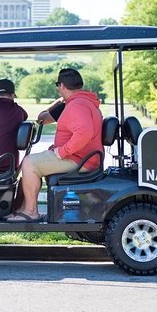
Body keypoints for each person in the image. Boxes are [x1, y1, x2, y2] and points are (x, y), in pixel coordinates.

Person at [6, 68, 103, 222]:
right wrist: (57, 149)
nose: (58, 88)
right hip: (82, 157)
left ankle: (30, 211)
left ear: (62, 85)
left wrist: (61, 152)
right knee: (34, 160)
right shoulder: (82, 102)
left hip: (80, 160)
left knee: (29, 163)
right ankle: (24, 208)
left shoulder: (77, 105)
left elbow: (84, 133)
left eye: (57, 85)